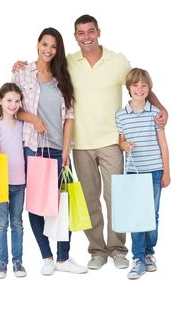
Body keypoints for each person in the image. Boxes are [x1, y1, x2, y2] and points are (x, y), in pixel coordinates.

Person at [12, 15, 168, 271]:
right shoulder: (69, 63)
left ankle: (118, 249)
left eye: (90, 31)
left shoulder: (117, 61)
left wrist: (161, 109)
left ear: (98, 32)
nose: (86, 37)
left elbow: (139, 85)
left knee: (115, 198)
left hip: (111, 141)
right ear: (75, 37)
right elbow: (41, 77)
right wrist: (20, 65)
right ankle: (97, 250)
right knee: (89, 200)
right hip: (80, 144)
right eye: (81, 33)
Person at [11, 27, 87, 275]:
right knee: (36, 204)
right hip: (33, 148)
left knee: (64, 202)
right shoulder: (22, 73)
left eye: (53, 46)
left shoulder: (62, 78)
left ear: (58, 50)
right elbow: (12, 109)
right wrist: (33, 118)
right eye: (45, 44)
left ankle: (64, 259)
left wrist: (66, 151)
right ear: (37, 45)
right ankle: (47, 256)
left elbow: (69, 117)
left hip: (58, 149)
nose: (48, 50)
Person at [116, 68, 170, 279]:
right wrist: (124, 145)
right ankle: (138, 257)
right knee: (137, 217)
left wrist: (167, 171)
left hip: (155, 171)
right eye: (135, 85)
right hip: (133, 173)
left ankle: (149, 253)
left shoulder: (155, 114)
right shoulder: (121, 115)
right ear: (129, 88)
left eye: (144, 85)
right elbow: (121, 141)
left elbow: (163, 144)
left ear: (149, 88)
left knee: (152, 216)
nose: (139, 89)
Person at [0, 82, 26, 279]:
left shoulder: (22, 125)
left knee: (17, 223)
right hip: (0, 182)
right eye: (9, 100)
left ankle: (18, 262)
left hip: (20, 182)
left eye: (17, 101)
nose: (13, 104)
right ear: (0, 101)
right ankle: (2, 263)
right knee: (2, 223)